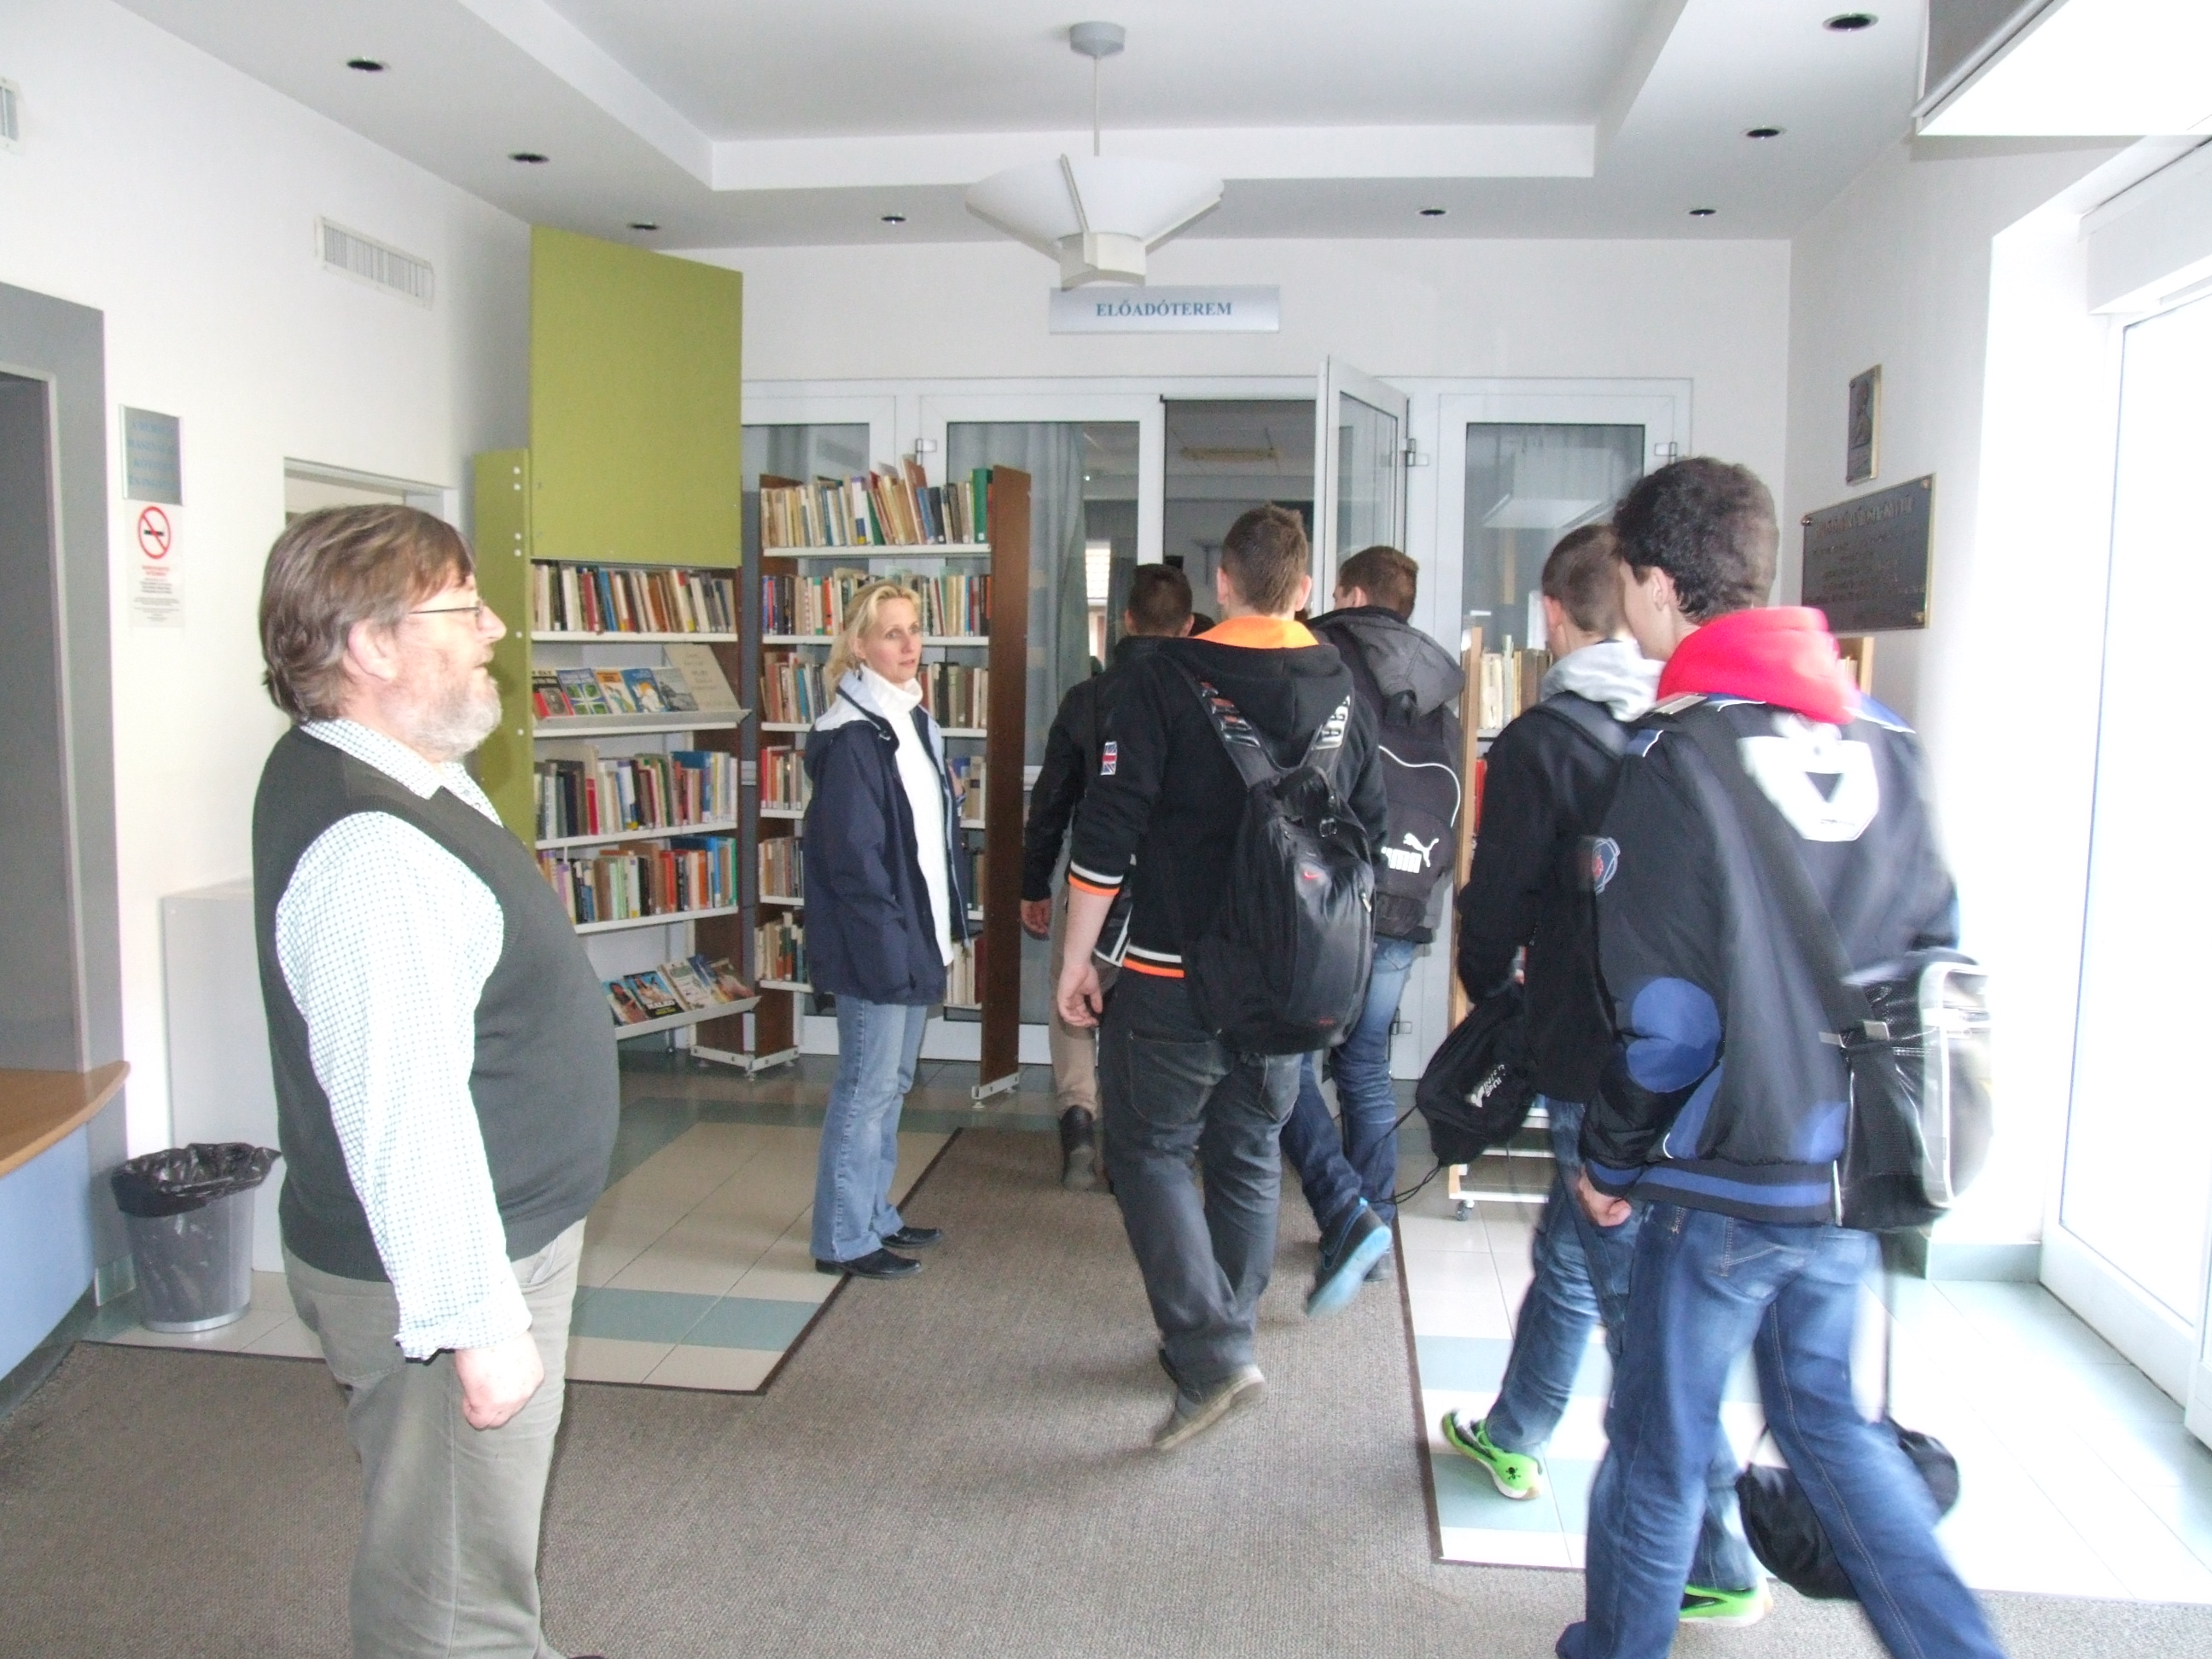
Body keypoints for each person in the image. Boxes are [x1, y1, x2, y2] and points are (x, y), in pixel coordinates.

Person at [1562, 459, 2002, 1659]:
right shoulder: (1887, 738)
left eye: (1629, 581)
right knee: (1831, 1431)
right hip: (1851, 1166)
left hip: (1722, 1177)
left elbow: (1671, 1023)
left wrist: (1610, 1159)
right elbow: (1935, 951)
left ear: (1657, 584)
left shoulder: (1673, 760)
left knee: (1657, 1447)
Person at [252, 505, 616, 1659]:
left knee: (461, 1555)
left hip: (483, 1243)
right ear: (370, 646)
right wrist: (475, 1324)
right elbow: (400, 1110)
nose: (495, 628)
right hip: (446, 1277)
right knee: (452, 1598)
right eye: (464, 607)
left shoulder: (399, 772)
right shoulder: (372, 847)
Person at [1438, 526, 1765, 1626]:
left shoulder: (1545, 741)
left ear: (1552, 614)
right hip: (1691, 1051)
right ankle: (1517, 1427)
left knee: (1637, 1312)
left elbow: (1498, 902)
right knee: (1573, 1245)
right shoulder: (1699, 718)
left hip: (1591, 1047)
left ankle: (1721, 1551)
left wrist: (1491, 989)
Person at [1054, 504, 1388, 1450]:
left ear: (1225, 584)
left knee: (1149, 1151)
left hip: (1169, 970)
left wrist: (1078, 960)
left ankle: (1211, 1353)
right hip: (1288, 978)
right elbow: (1366, 832)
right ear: (1306, 590)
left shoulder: (1159, 679)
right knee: (1248, 1148)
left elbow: (1107, 834)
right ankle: (1225, 1328)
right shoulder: (1343, 689)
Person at [1281, 544, 1464, 1314]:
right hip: (1407, 894)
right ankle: (1377, 1223)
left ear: (1351, 593)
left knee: (1283, 1060)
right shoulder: (1438, 684)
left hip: (1331, 896)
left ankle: (1346, 1214)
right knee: (1364, 1066)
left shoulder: (1323, 656)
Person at [804, 581, 965, 1280]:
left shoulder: (912, 720)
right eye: (892, 633)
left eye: (915, 629)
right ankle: (842, 1238)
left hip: (913, 933)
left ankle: (874, 1215)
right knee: (864, 1088)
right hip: (876, 942)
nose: (909, 645)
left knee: (892, 1083)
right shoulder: (851, 735)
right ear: (860, 646)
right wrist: (890, 946)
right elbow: (854, 861)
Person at [1021, 564, 1195, 1190]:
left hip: (1094, 880)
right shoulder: (1202, 695)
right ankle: (1133, 1146)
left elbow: (1052, 801)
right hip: (1173, 890)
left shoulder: (1087, 699)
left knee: (1070, 995)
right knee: (1141, 1010)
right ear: (1189, 626)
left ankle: (1078, 1121)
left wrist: (1034, 882)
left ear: (1125, 621)